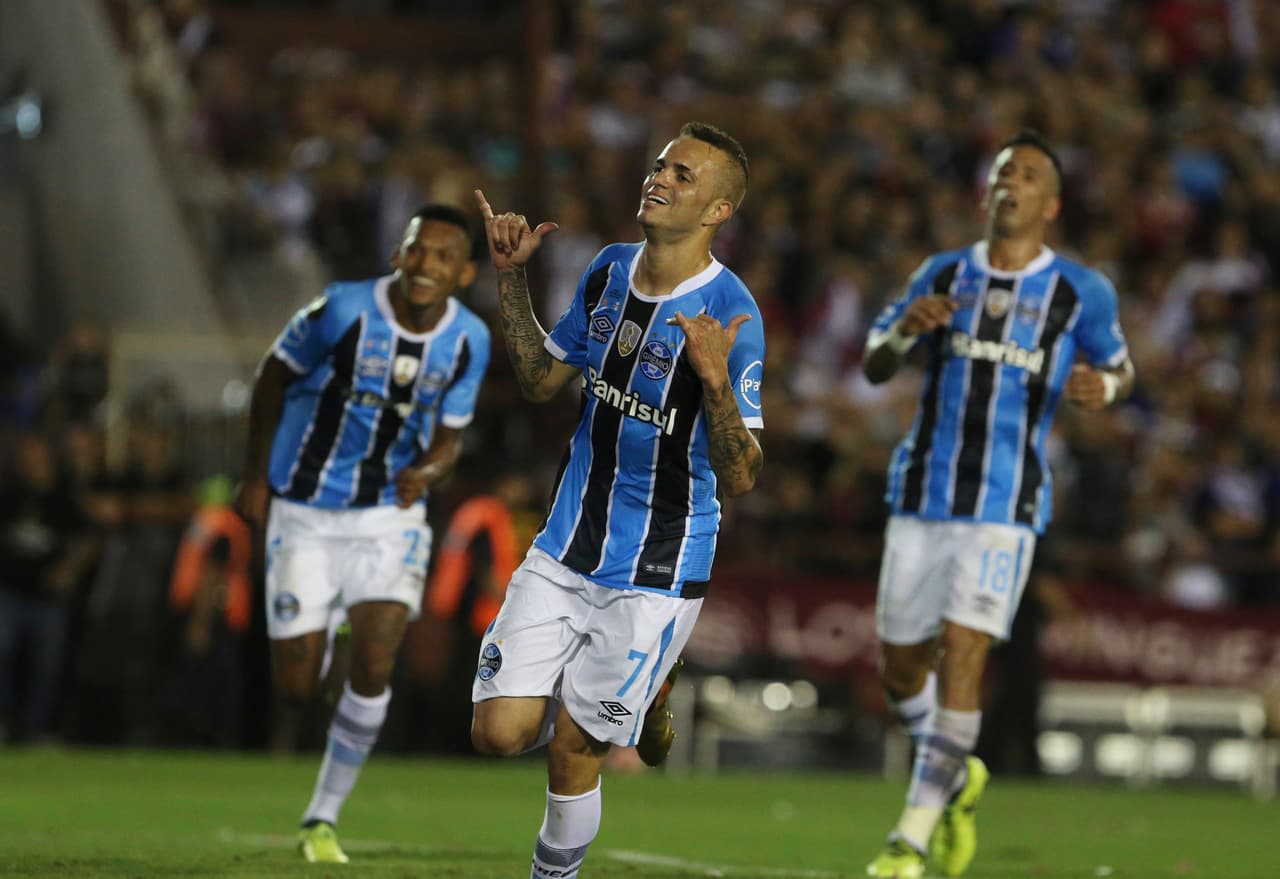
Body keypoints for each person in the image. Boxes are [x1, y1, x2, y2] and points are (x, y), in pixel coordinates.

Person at [470, 120, 765, 879]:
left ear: (718, 211)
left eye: (683, 174)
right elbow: (541, 380)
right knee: (497, 733)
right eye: (660, 164)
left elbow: (741, 475)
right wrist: (511, 278)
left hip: (658, 566)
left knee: (575, 750)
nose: (659, 177)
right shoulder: (606, 271)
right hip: (566, 543)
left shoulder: (731, 312)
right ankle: (640, 695)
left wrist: (715, 383)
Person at [861, 129, 1135, 879]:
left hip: (1005, 506)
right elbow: (875, 361)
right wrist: (902, 333)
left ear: (1051, 204)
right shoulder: (943, 271)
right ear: (986, 192)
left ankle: (910, 838)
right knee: (900, 667)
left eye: (1030, 174)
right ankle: (955, 775)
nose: (1012, 182)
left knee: (965, 651)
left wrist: (1104, 388)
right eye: (1003, 171)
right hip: (921, 493)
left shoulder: (1082, 291)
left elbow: (1121, 367)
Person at [235, 203, 490, 864]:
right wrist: (255, 475)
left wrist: (428, 471)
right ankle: (330, 627)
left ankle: (322, 816)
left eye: (443, 257)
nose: (425, 265)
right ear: (398, 253)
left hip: (386, 513)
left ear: (463, 273)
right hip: (304, 508)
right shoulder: (343, 309)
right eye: (417, 249)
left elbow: (451, 437)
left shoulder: (469, 339)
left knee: (377, 662)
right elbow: (272, 374)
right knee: (296, 688)